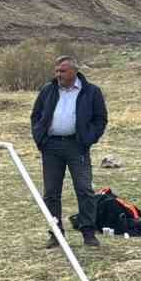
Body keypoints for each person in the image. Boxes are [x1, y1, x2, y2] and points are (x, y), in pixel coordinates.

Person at [29, 56, 107, 249]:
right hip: (51, 147)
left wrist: (89, 138)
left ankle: (88, 232)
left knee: (84, 189)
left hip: (77, 146)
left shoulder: (91, 92)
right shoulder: (48, 90)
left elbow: (100, 119)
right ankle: (55, 234)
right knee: (51, 193)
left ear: (74, 71)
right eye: (56, 71)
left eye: (62, 71)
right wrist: (40, 138)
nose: (58, 75)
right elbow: (36, 115)